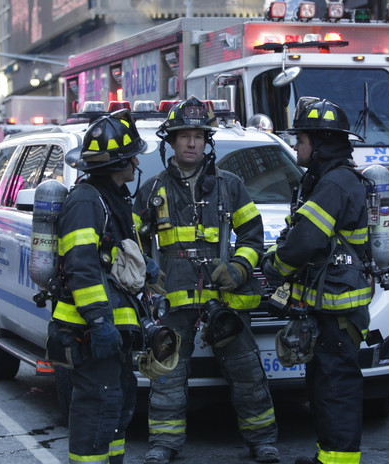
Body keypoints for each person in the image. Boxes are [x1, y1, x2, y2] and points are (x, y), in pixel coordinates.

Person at [133, 97, 279, 464]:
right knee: (168, 372)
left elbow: (252, 237)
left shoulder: (231, 186)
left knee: (246, 370)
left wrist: (240, 269)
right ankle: (164, 444)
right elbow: (131, 241)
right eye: (185, 136)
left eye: (199, 135)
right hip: (173, 300)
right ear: (172, 141)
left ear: (207, 140)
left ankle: (262, 441)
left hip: (226, 297)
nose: (192, 143)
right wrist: (149, 274)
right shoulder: (152, 190)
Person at [262, 98, 372, 464]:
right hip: (328, 307)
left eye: (301, 140)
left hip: (338, 310)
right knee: (323, 386)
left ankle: (338, 460)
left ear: (320, 143)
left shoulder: (336, 183)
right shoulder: (328, 179)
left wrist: (275, 265)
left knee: (335, 388)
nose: (296, 147)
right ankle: (328, 455)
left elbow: (307, 239)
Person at [46, 109, 148, 464]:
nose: (137, 162)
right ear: (119, 162)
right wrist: (99, 321)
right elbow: (81, 266)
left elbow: (117, 254)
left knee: (116, 402)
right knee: (96, 404)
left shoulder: (114, 199)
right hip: (89, 329)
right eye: (132, 156)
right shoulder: (87, 201)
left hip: (114, 326)